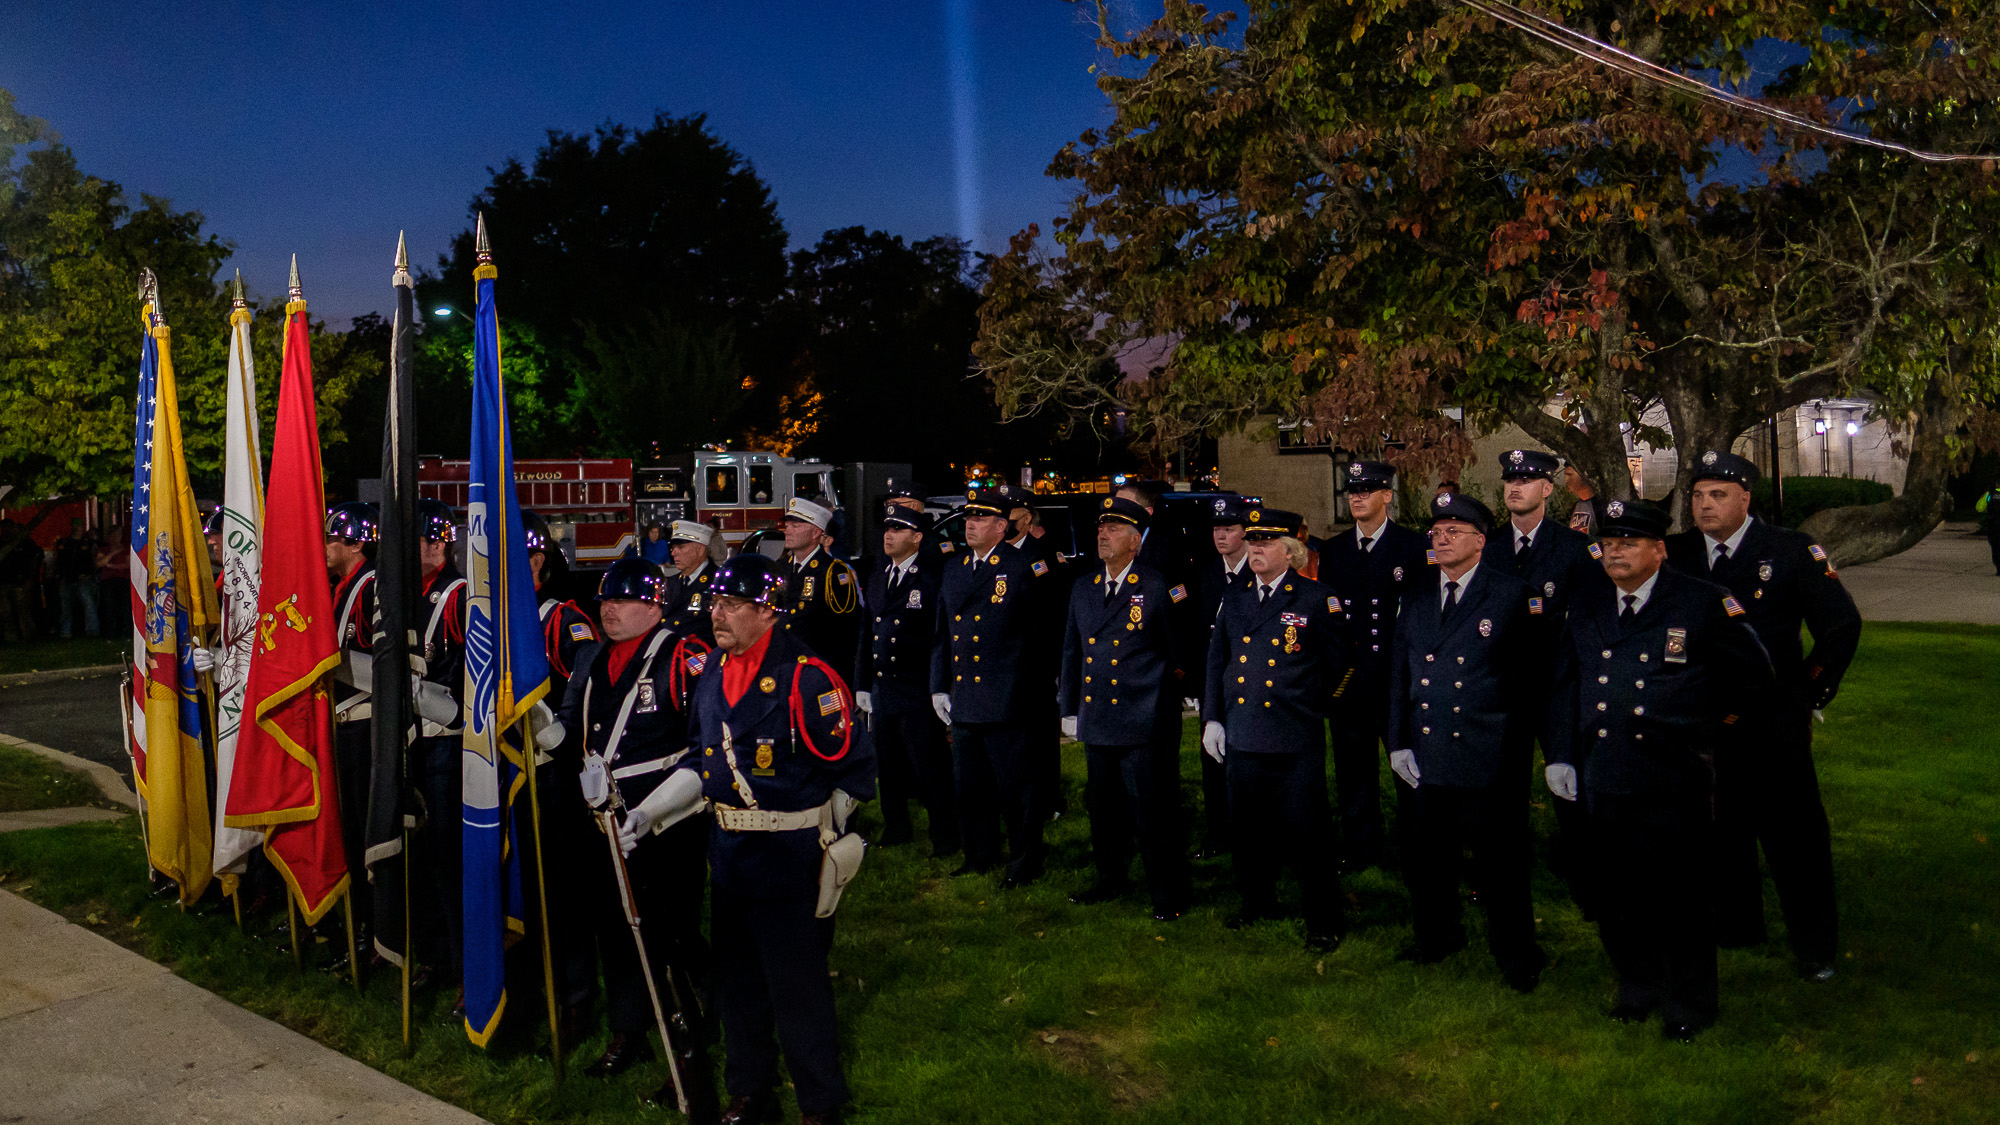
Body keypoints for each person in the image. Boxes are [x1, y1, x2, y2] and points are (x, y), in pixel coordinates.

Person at [1544, 498, 1774, 1040]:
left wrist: (1707, 731)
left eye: (1630, 542)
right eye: (1610, 542)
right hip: (1603, 772)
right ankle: (1637, 985)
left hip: (1673, 777)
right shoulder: (1588, 603)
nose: (1616, 551)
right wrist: (1560, 753)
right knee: (1615, 895)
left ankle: (1690, 1002)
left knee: (1681, 897)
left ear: (1659, 549)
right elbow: (1564, 685)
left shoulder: (1700, 604)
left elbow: (1754, 680)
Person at [664, 553, 877, 1125]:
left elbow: (855, 767)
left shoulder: (807, 677)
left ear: (768, 611)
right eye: (715, 603)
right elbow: (699, 754)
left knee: (798, 988)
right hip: (731, 854)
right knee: (739, 984)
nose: (718, 613)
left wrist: (828, 832)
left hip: (790, 857)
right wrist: (650, 811)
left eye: (732, 605)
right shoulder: (711, 669)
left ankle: (819, 1103)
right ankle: (750, 1090)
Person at [1665, 450, 1862, 980]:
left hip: (1771, 723)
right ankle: (1736, 928)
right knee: (1717, 831)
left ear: (1746, 498)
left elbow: (1840, 625)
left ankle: (1816, 948)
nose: (1705, 506)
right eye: (1699, 495)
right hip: (1701, 723)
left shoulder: (1790, 550)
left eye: (1719, 495)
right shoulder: (1677, 553)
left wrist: (1807, 693)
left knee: (1795, 840)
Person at [548, 557, 717, 1113]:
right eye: (604, 601)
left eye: (622, 601)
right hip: (603, 819)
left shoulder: (684, 656)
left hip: (666, 823)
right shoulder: (594, 658)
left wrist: (658, 809)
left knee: (671, 934)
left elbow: (704, 745)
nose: (609, 610)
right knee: (615, 931)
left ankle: (693, 1034)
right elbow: (581, 730)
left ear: (654, 605)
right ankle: (630, 1031)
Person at [1387, 491, 1546, 992]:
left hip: (1487, 751)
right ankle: (1437, 936)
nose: (1442, 537)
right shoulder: (1414, 596)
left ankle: (1517, 952)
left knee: (1500, 861)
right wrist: (1397, 741)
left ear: (1481, 541)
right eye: (1436, 531)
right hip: (1427, 750)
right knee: (1427, 857)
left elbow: (1529, 683)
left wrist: (1515, 751)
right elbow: (1400, 674)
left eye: (1454, 531)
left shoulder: (1509, 595)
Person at [1200, 507, 1348, 952]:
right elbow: (1217, 660)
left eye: (1265, 543)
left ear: (1291, 551)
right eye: (1254, 541)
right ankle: (1257, 901)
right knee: (1247, 829)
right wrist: (1213, 717)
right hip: (1244, 733)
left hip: (1293, 736)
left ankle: (1322, 918)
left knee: (1309, 833)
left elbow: (1341, 668)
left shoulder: (1316, 599)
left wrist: (1315, 708)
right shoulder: (1237, 596)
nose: (1255, 549)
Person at [1481, 448, 1605, 910]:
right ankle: (1498, 882)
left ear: (1547, 490)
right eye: (1510, 480)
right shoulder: (1487, 546)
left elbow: (1591, 622)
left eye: (1527, 481)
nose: (1515, 488)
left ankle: (1589, 887)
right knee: (1499, 792)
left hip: (1559, 687)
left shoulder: (1575, 549)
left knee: (1571, 789)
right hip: (1501, 689)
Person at [1059, 497, 1192, 920]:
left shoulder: (1158, 586)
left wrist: (1166, 701)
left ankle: (1167, 892)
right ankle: (1109, 878)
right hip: (1099, 717)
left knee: (1154, 810)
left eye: (1114, 529)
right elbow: (1072, 651)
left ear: (1135, 542)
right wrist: (1069, 706)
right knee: (1103, 808)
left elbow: (1179, 652)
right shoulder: (1083, 586)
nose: (1103, 534)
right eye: (1101, 528)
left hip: (1144, 717)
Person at [931, 486, 1060, 887]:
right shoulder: (954, 568)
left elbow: (1041, 636)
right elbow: (943, 633)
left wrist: (1031, 691)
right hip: (966, 694)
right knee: (970, 786)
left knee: (1016, 788)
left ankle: (1025, 862)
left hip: (1009, 695)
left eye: (981, 518)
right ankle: (978, 854)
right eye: (968, 518)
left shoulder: (1023, 567)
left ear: (1002, 526)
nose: (970, 525)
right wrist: (939, 685)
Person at [1317, 460, 1431, 871]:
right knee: (1353, 770)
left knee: (1409, 767)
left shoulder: (1414, 548)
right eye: (1352, 491)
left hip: (1397, 680)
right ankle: (1362, 848)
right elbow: (1331, 621)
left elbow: (1422, 616)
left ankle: (1417, 850)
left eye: (1368, 490)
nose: (1358, 497)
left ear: (1387, 495)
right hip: (1352, 681)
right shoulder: (1334, 551)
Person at [854, 504, 959, 856]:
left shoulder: (930, 577)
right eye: (887, 528)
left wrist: (939, 685)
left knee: (930, 766)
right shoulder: (880, 573)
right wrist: (863, 683)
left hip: (916, 688)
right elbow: (868, 632)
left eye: (898, 529)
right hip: (885, 686)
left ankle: (945, 833)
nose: (888, 535)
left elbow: (939, 635)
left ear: (916, 538)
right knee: (889, 765)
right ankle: (896, 826)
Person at [408, 498, 468, 1002]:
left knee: (450, 859)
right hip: (411, 742)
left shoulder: (458, 596)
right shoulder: (409, 592)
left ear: (438, 544)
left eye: (419, 541)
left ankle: (464, 965)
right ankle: (433, 954)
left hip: (447, 743)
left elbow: (469, 672)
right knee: (422, 858)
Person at [1190, 495, 1259, 858]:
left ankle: (1255, 834)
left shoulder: (1259, 571)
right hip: (1212, 680)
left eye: (1229, 529)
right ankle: (1218, 833)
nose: (1221, 536)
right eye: (1217, 529)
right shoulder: (1205, 572)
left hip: (1252, 680)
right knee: (1212, 759)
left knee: (1250, 761)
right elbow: (1194, 627)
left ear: (1246, 534)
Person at [325, 502, 380, 938]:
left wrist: (325, 664)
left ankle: (371, 927)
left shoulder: (371, 587)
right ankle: (352, 920)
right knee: (345, 824)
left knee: (364, 827)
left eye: (333, 539)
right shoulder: (342, 587)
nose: (325, 547)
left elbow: (384, 661)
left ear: (357, 543)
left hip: (364, 722)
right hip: (342, 721)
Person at [777, 497, 863, 666]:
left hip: (818, 667)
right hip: (785, 666)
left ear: (815, 533)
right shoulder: (780, 568)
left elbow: (847, 631)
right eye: (787, 525)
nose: (787, 530)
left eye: (795, 526)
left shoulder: (833, 572)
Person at [661, 519, 719, 646]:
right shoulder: (670, 582)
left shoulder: (718, 582)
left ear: (700, 549)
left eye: (681, 547)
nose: (673, 553)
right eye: (673, 547)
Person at [53, 518, 98, 639]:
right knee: (65, 605)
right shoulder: (64, 543)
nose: (77, 528)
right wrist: (59, 577)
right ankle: (65, 631)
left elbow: (93, 561)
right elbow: (58, 561)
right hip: (67, 579)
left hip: (85, 578)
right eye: (75, 525)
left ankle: (92, 630)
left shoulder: (88, 543)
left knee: (88, 602)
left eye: (79, 525)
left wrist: (90, 575)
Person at [0, 520, 40, 642]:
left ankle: (28, 636)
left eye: (9, 527)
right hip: (3, 582)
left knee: (23, 610)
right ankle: (10, 636)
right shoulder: (1, 544)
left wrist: (30, 578)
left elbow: (34, 560)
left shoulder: (25, 543)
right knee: (5, 611)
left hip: (20, 582)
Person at [1978, 479, 2000, 575]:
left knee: (1995, 547)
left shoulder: (1989, 494)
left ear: (1996, 484)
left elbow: (1979, 508)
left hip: (1994, 525)